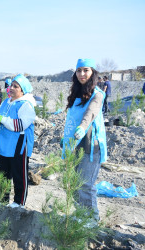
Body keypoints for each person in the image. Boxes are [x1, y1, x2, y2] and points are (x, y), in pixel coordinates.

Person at [62, 59, 107, 223]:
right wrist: (65, 137)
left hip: (90, 145)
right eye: (79, 70)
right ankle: (81, 214)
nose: (82, 74)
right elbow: (71, 119)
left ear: (93, 72)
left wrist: (82, 127)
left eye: (86, 70)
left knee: (86, 184)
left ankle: (92, 219)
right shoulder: (76, 94)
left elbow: (90, 113)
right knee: (74, 184)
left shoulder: (98, 94)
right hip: (74, 144)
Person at [0, 74, 36, 208]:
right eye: (12, 85)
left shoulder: (26, 105)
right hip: (3, 142)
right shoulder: (6, 102)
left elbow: (21, 125)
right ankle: (3, 200)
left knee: (18, 173)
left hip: (18, 143)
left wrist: (3, 120)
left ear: (23, 90)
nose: (12, 88)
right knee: (4, 173)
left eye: (16, 86)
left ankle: (18, 202)